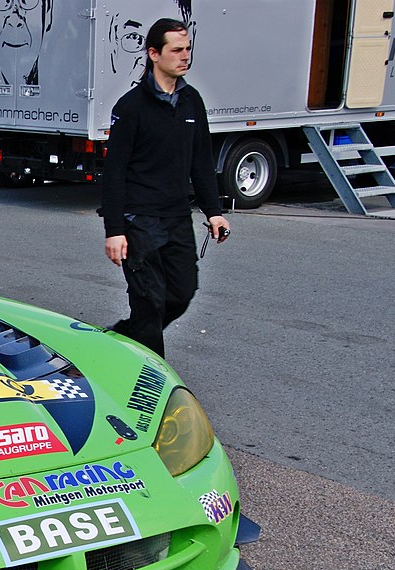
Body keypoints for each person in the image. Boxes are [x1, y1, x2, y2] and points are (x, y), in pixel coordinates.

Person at [100, 18, 229, 358]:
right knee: (149, 302)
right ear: (154, 54)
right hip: (138, 220)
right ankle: (151, 379)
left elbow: (201, 161)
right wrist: (114, 230)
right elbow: (113, 172)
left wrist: (214, 212)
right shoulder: (131, 107)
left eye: (187, 49)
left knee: (181, 294)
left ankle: (126, 336)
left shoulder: (192, 102)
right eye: (176, 50)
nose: (184, 56)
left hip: (176, 218)